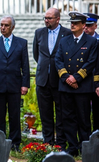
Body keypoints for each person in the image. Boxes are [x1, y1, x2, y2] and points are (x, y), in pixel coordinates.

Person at [55, 11, 98, 156]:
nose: (72, 25)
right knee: (68, 118)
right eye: (71, 23)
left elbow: (91, 62)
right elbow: (58, 60)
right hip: (66, 86)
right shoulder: (64, 40)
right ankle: (72, 147)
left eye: (76, 23)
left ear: (83, 25)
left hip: (83, 87)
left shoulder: (92, 42)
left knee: (84, 119)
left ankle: (85, 148)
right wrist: (67, 78)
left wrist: (77, 78)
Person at [0, 15, 30, 152]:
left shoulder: (21, 43)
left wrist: (25, 84)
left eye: (6, 25)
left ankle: (15, 144)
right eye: (1, 25)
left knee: (14, 116)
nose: (3, 28)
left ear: (12, 27)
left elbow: (25, 65)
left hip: (15, 85)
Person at [33, 8, 71, 150]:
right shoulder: (39, 33)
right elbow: (37, 55)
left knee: (61, 113)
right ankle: (48, 142)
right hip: (43, 80)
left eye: (49, 18)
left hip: (60, 80)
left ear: (57, 19)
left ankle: (61, 143)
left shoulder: (67, 33)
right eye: (45, 17)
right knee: (45, 113)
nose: (46, 20)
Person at [84, 13, 99, 132]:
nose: (86, 28)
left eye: (89, 25)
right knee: (83, 114)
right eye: (85, 25)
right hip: (82, 82)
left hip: (97, 83)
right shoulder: (79, 41)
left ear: (95, 26)